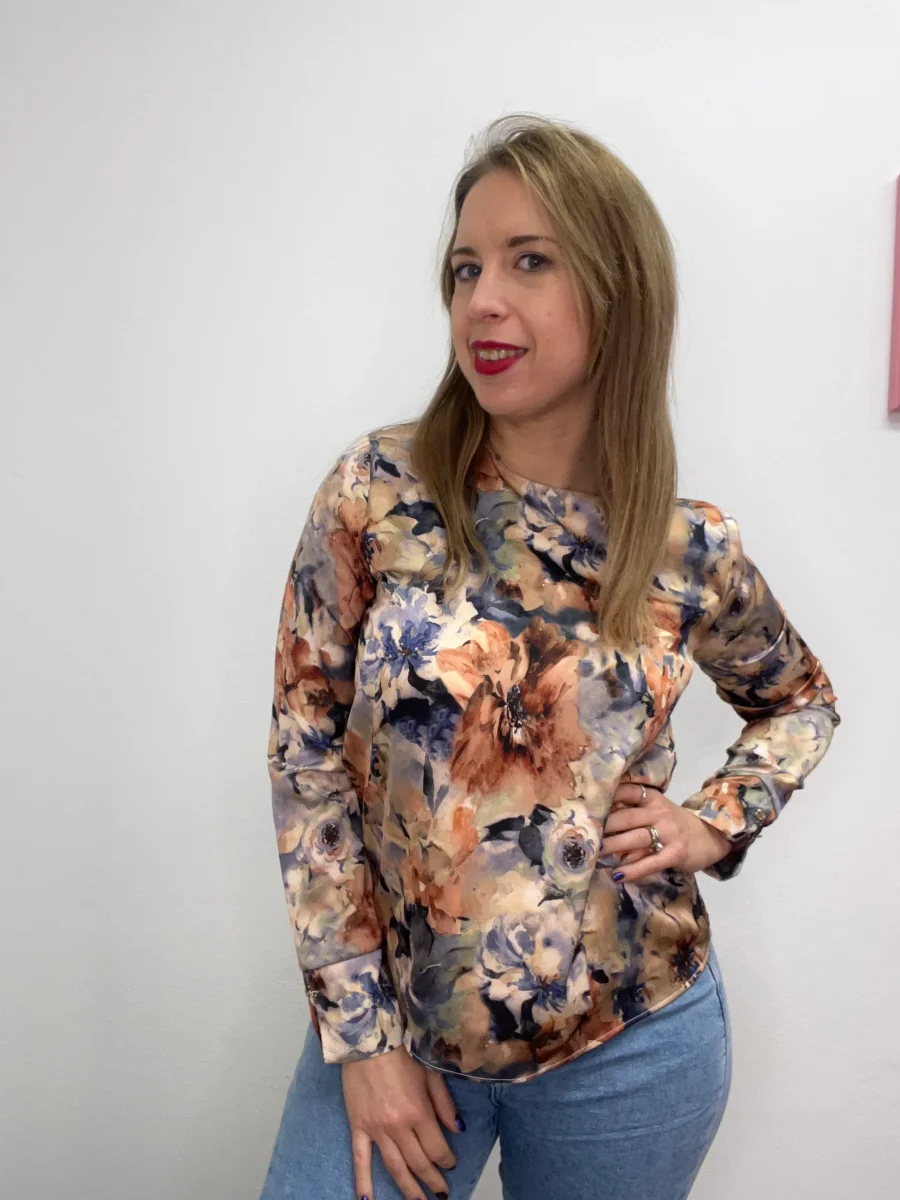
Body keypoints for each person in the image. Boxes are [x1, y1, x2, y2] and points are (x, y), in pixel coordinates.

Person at [258, 113, 841, 1200]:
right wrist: (362, 1039)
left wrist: (714, 822)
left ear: (618, 292)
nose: (483, 299)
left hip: (632, 1044)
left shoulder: (684, 548)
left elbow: (800, 702)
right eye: (466, 267)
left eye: (531, 261)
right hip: (400, 1035)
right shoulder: (377, 492)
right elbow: (306, 758)